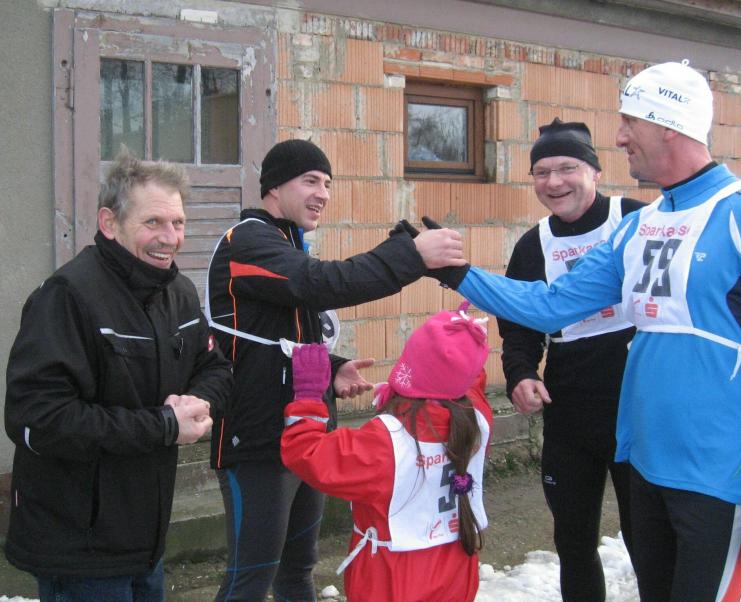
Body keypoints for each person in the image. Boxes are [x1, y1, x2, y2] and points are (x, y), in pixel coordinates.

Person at [421, 60, 741, 602]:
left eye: (630, 122)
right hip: (646, 465)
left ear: (669, 125)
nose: (620, 137)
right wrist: (457, 273)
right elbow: (552, 305)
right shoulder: (641, 225)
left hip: (720, 474)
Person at [204, 138, 465, 601]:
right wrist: (410, 255)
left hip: (306, 436)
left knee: (297, 572)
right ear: (274, 186)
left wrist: (331, 367)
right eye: (311, 181)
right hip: (257, 442)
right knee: (251, 580)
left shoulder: (286, 244)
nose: (322, 193)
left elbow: (278, 333)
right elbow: (318, 284)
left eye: (327, 183)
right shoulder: (246, 241)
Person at [4, 151, 233, 602]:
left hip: (146, 541)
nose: (170, 238)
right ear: (109, 223)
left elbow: (216, 368)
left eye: (178, 223)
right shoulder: (67, 297)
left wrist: (198, 404)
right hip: (79, 549)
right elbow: (38, 419)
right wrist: (163, 425)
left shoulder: (178, 293)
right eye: (153, 222)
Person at [499, 117, 644, 601]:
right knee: (573, 540)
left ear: (595, 172)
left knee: (647, 537)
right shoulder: (533, 244)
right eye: (542, 172)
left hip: (639, 407)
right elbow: (518, 324)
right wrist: (520, 374)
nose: (554, 182)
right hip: (571, 414)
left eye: (567, 168)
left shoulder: (635, 219)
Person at [281, 303, 492, 602]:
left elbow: (306, 452)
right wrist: (463, 339)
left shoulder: (385, 442)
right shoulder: (478, 416)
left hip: (390, 580)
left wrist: (309, 396)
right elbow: (467, 376)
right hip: (456, 571)